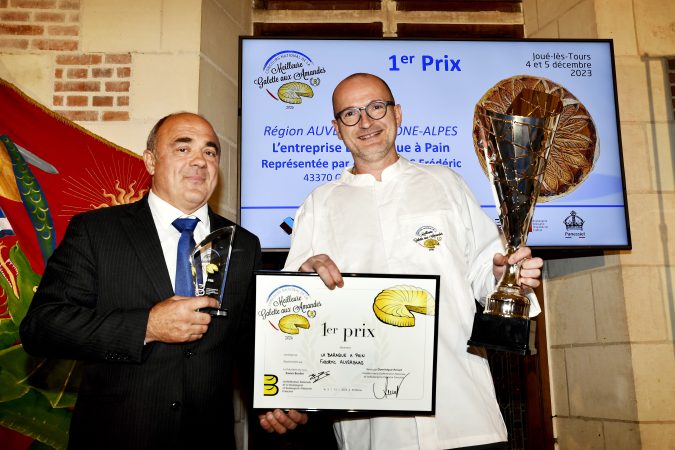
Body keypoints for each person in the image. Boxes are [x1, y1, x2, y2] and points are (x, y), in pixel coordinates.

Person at [261, 73, 544, 449]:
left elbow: (486, 273)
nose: (365, 122)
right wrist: (305, 280)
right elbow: (290, 307)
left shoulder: (446, 184)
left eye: (376, 107)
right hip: (371, 429)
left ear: (397, 114)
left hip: (462, 413)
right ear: (336, 128)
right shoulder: (319, 203)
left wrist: (502, 273)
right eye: (350, 113)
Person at [20, 112, 263, 450]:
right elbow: (42, 328)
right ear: (150, 161)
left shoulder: (243, 244)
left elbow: (249, 342)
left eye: (210, 152)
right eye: (182, 149)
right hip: (117, 437)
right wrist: (146, 326)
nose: (199, 161)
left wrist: (275, 398)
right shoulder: (97, 231)